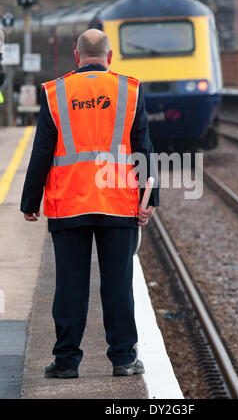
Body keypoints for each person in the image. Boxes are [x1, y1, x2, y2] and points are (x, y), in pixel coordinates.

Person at [20, 29, 159, 378]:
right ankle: (124, 359)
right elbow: (143, 147)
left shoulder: (56, 92)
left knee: (69, 285)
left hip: (68, 203)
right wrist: (149, 198)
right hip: (117, 202)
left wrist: (30, 200)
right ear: (110, 57)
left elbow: (41, 151)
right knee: (117, 284)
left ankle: (66, 362)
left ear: (76, 55)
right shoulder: (129, 89)